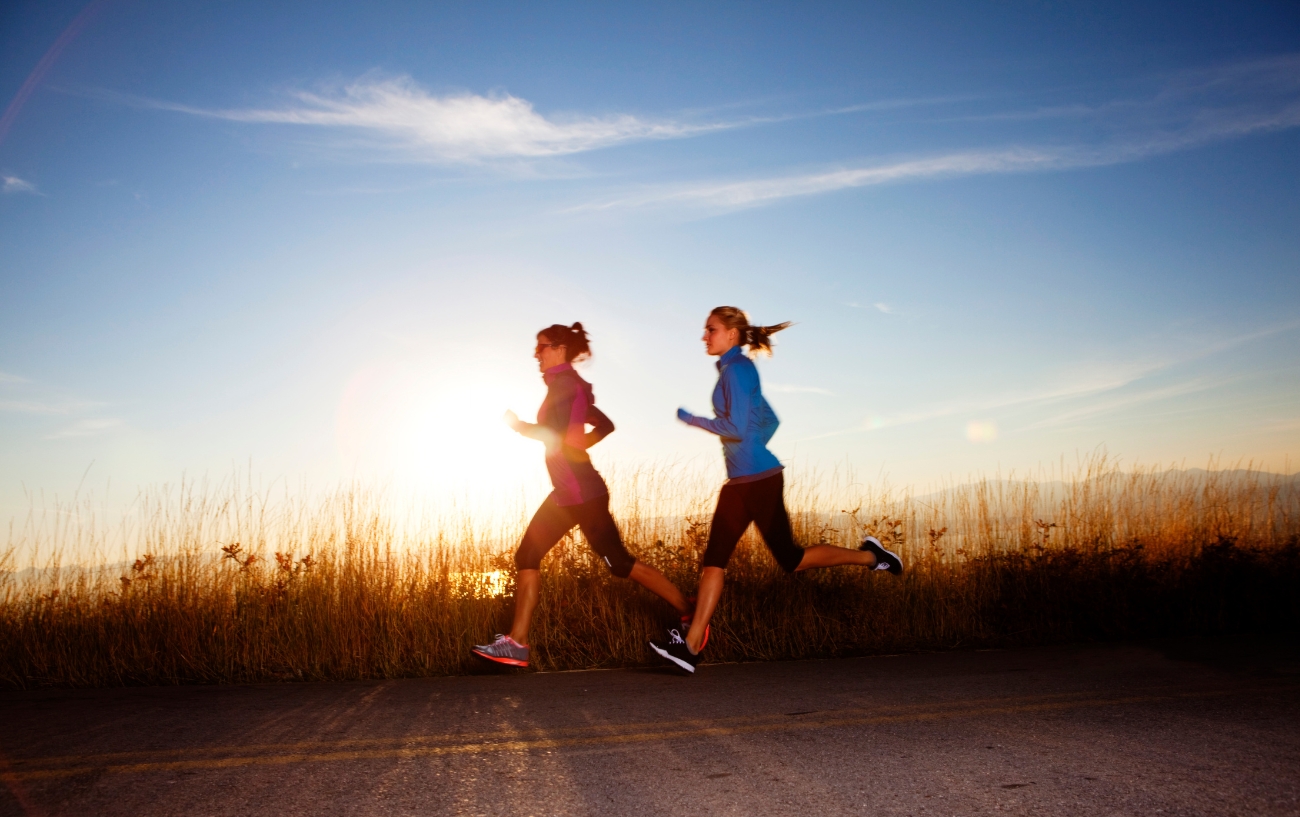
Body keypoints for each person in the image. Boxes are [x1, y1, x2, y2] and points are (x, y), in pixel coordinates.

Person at [650, 306, 903, 674]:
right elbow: (768, 420)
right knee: (714, 561)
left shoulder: (736, 370)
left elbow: (735, 427)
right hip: (742, 481)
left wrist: (693, 420)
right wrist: (752, 446)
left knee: (791, 559)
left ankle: (871, 557)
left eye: (711, 330)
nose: (705, 337)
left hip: (760, 480)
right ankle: (690, 647)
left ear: (732, 335)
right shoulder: (735, 370)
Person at [473, 322, 693, 668]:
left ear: (559, 348)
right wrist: (578, 447)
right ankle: (517, 643)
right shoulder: (567, 386)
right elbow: (602, 425)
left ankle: (688, 612)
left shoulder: (565, 384)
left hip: (583, 492)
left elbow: (555, 433)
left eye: (541, 347)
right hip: (565, 494)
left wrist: (517, 427)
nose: (536, 354)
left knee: (618, 563)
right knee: (527, 555)